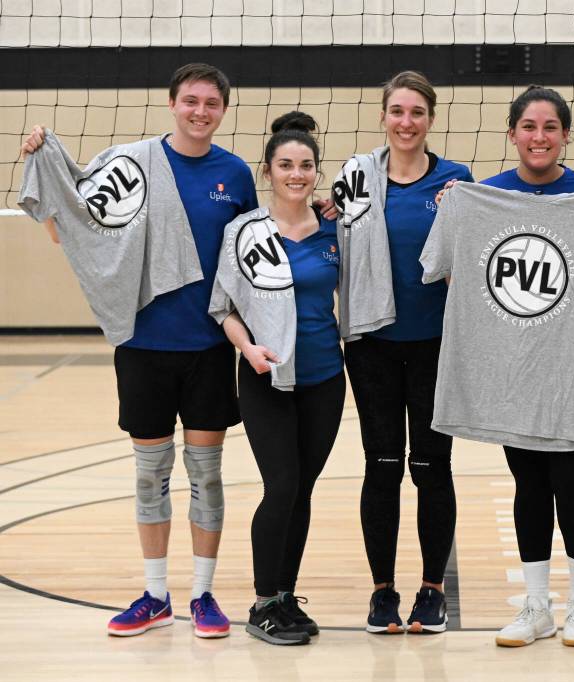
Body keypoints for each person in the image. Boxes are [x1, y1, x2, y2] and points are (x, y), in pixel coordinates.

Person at [21, 63, 259, 638]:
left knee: (207, 475)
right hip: (143, 344)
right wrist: (40, 158)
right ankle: (155, 595)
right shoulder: (130, 163)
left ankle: (203, 595)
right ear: (171, 104)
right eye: (191, 101)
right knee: (150, 475)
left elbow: (257, 252)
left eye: (211, 103)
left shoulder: (235, 173)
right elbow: (70, 227)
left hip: (208, 346)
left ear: (223, 110)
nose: (200, 111)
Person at [438, 85, 574, 648]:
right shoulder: (482, 197)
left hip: (569, 370)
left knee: (573, 482)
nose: (539, 138)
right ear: (511, 134)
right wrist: (454, 212)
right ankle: (537, 605)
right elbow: (451, 275)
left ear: (565, 136)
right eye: (529, 127)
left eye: (550, 128)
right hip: (512, 369)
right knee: (528, 484)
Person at [338, 71, 473, 635]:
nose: (406, 122)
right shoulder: (357, 178)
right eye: (397, 111)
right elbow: (334, 232)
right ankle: (382, 591)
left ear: (431, 120)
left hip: (437, 344)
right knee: (382, 466)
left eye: (417, 112)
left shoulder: (456, 181)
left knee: (432, 467)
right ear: (383, 117)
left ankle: (432, 589)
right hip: (371, 346)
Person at [210, 111, 345, 645]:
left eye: (306, 165)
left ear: (316, 171)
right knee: (281, 485)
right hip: (266, 378)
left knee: (303, 491)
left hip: (326, 378)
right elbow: (221, 307)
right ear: (268, 171)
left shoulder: (336, 229)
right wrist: (249, 349)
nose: (297, 173)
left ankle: (286, 597)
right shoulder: (243, 232)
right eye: (286, 165)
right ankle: (264, 601)